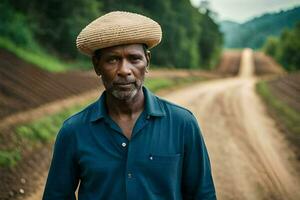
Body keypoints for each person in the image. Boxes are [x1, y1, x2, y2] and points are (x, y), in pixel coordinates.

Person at [43, 11, 216, 200]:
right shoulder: (73, 131)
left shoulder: (183, 123)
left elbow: (202, 194)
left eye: (134, 59)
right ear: (97, 65)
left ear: (147, 61)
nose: (124, 71)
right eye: (112, 59)